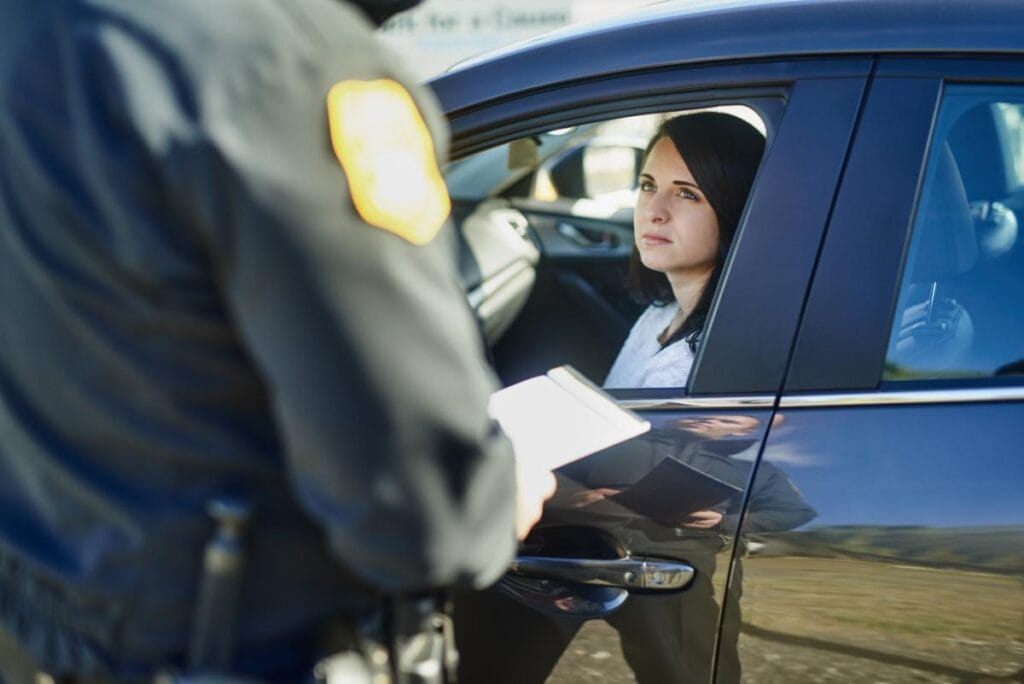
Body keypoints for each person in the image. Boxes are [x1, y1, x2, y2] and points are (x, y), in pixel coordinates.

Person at [0, 0, 554, 682]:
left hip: (46, 629)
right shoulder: (290, 62)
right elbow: (417, 510)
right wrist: (496, 492)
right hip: (237, 649)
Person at [604, 112, 765, 389]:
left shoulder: (692, 369)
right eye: (648, 185)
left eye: (687, 194)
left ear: (735, 210)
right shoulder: (666, 310)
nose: (653, 211)